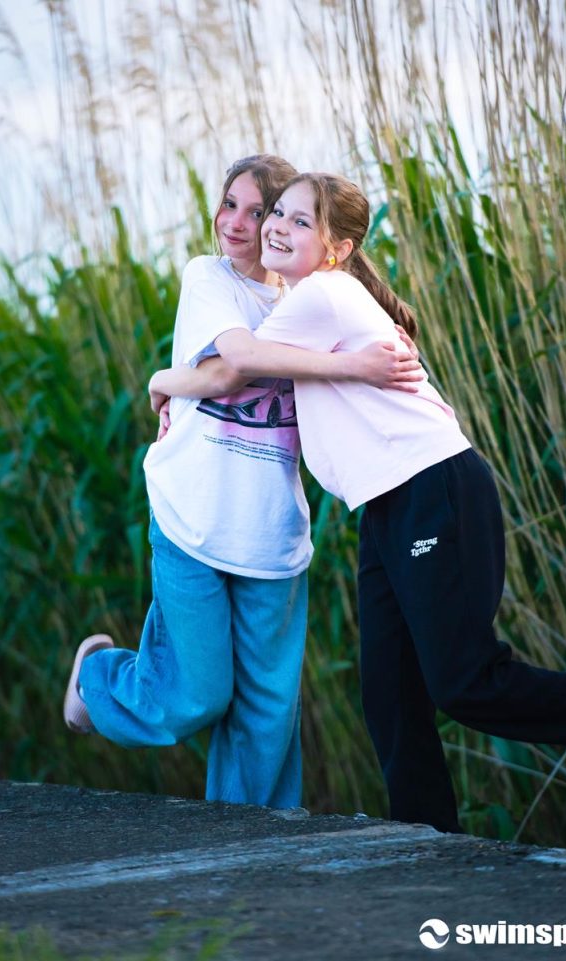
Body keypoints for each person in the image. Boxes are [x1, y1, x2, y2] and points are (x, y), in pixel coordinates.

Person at [156, 171, 566, 833]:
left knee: (464, 682)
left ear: (337, 248)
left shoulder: (321, 294)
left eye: (298, 221)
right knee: (390, 693)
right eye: (277, 214)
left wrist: (160, 380)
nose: (276, 228)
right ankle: (427, 838)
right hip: (387, 504)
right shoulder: (315, 296)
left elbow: (234, 367)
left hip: (431, 486)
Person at [63, 155, 422, 811]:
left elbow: (382, 350)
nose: (237, 222)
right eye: (230, 203)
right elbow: (235, 365)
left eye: (260, 211)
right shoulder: (210, 278)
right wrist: (165, 379)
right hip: (192, 516)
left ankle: (256, 849)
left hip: (272, 533)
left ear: (285, 223)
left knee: (268, 718)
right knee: (195, 696)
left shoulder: (309, 296)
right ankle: (97, 679)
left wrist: (380, 347)